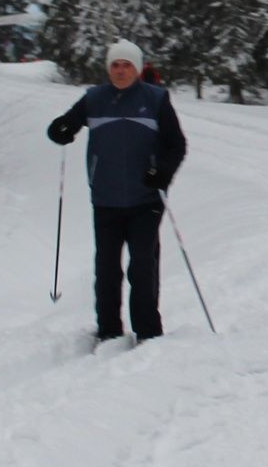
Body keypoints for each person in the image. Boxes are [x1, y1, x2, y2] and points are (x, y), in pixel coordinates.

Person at [48, 39, 187, 345]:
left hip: (146, 199)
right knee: (107, 269)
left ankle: (148, 331)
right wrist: (59, 129)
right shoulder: (94, 98)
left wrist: (162, 173)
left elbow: (176, 144)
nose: (120, 71)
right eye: (115, 65)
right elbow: (66, 125)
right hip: (106, 198)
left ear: (137, 69)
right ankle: (108, 330)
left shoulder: (156, 99)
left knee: (142, 266)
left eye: (126, 65)